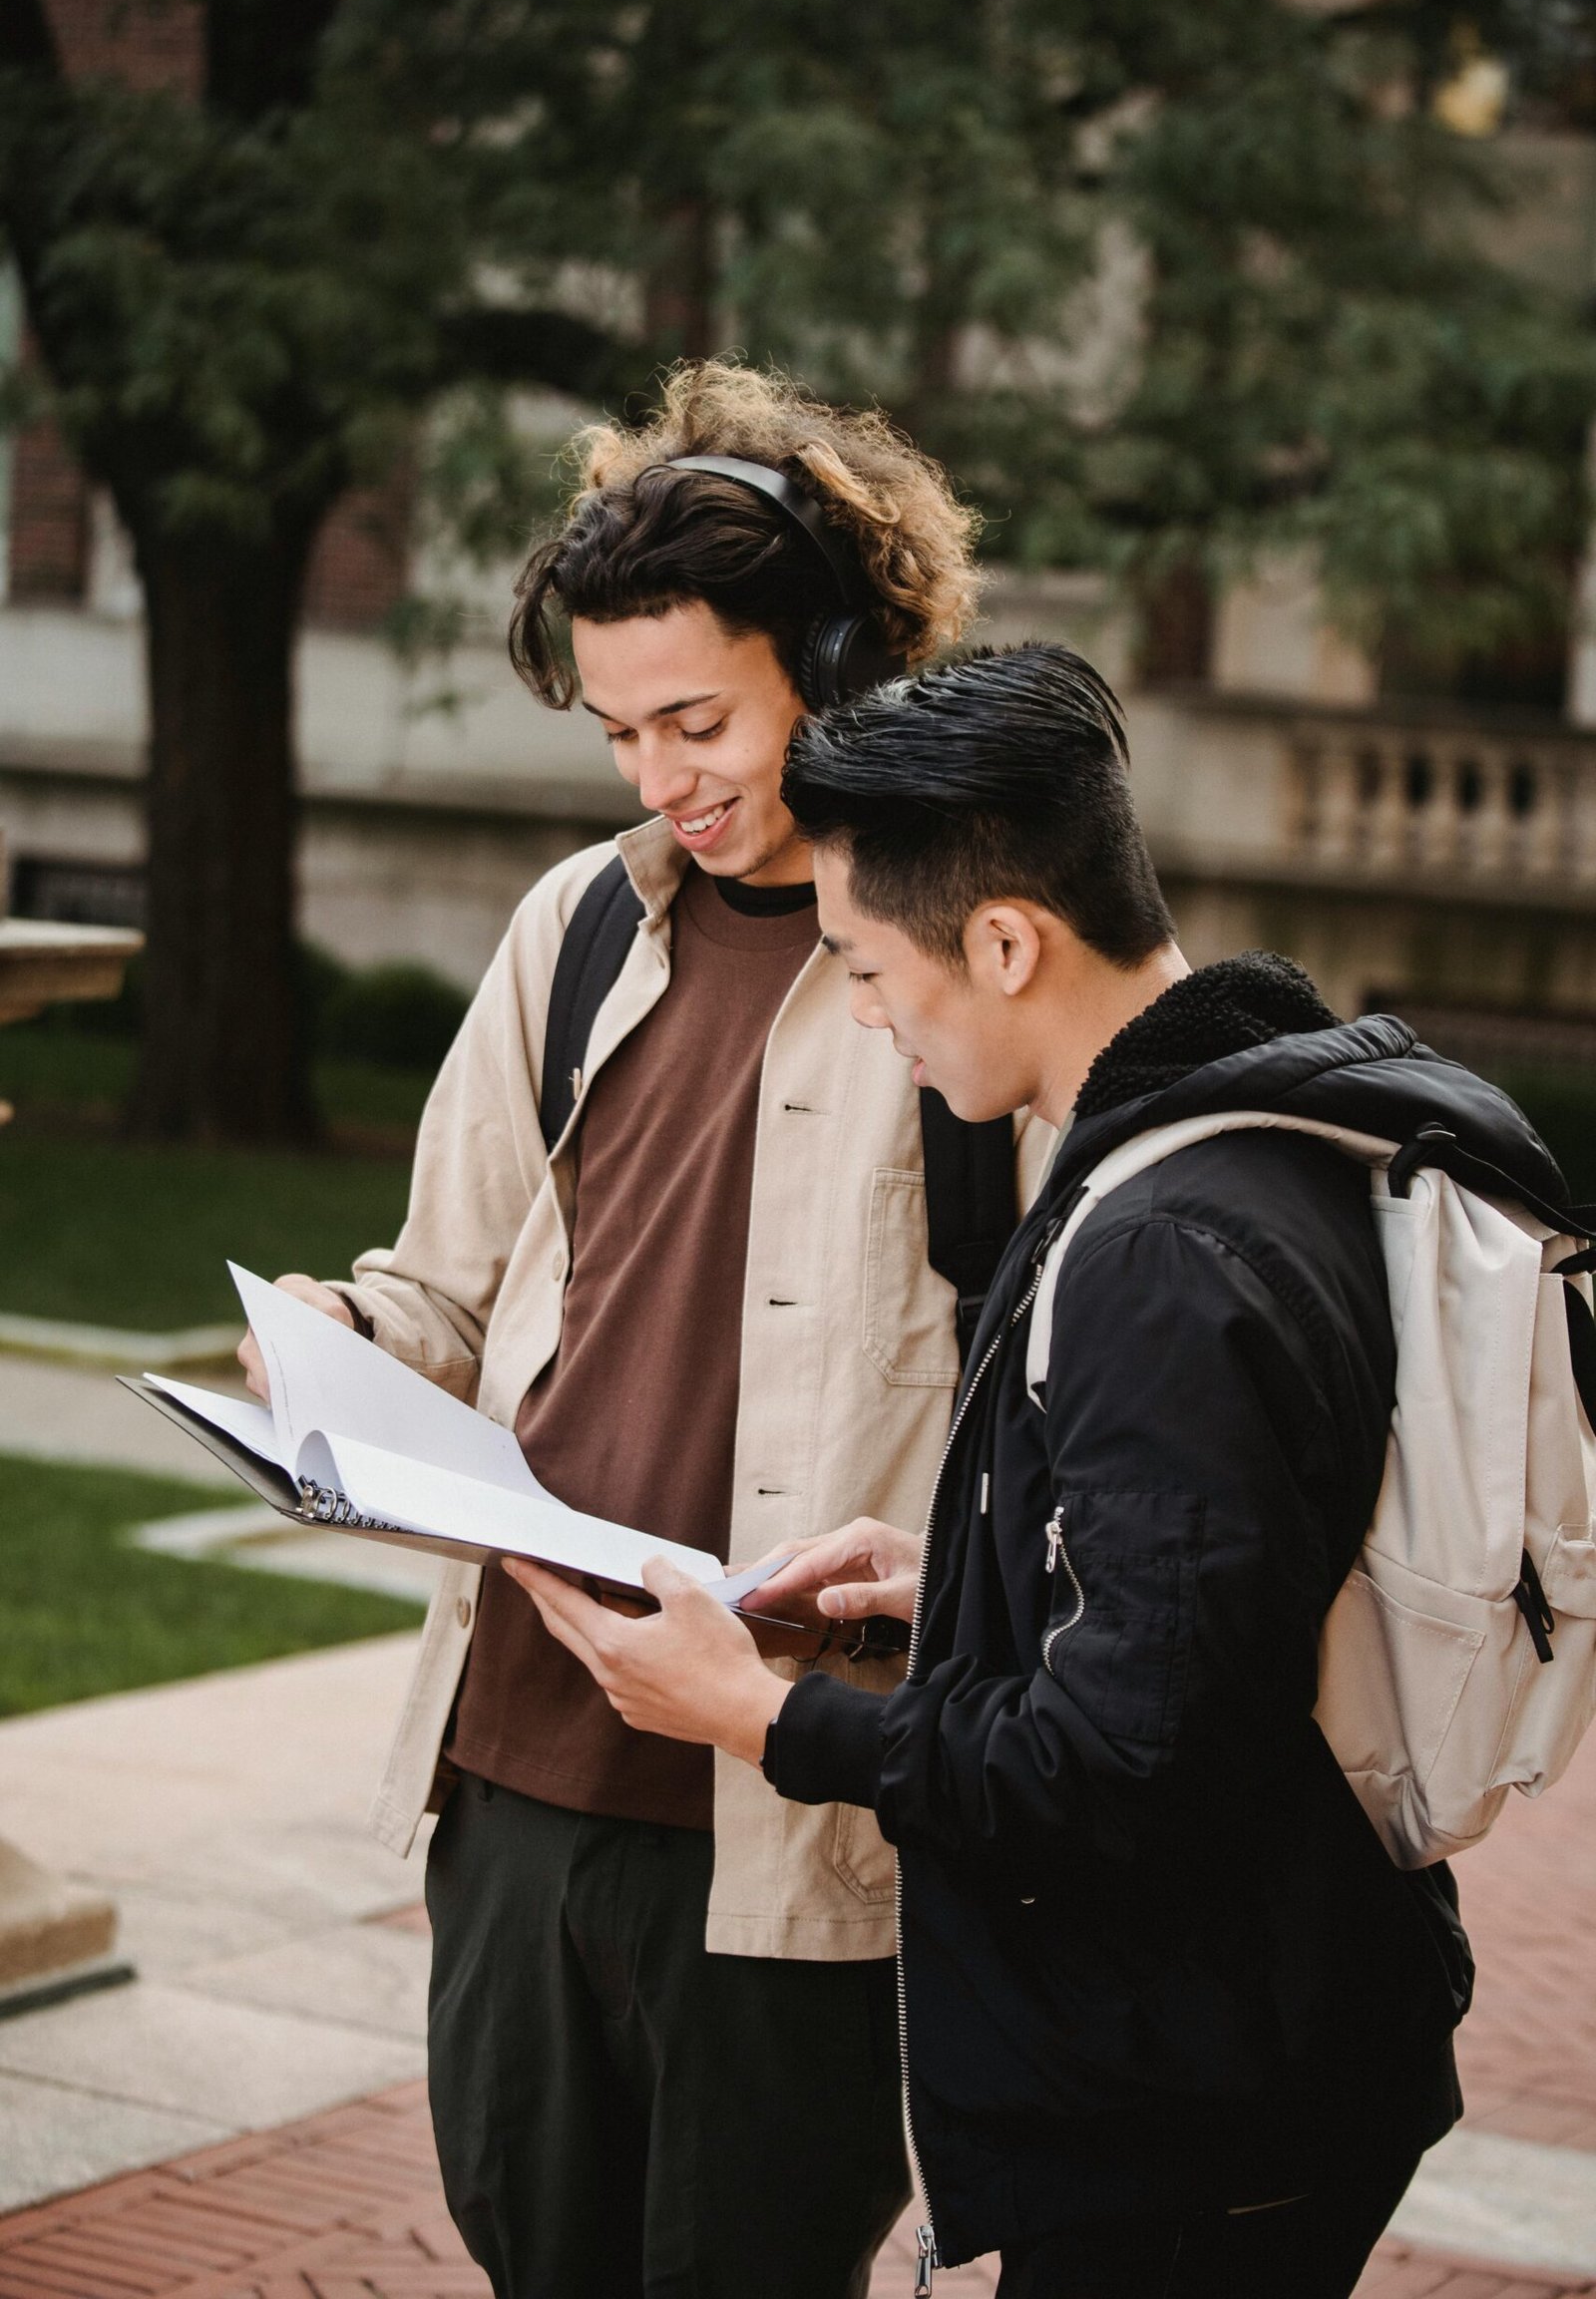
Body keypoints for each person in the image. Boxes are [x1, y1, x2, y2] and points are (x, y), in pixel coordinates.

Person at [505, 640, 1576, 2296]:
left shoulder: (1168, 1239)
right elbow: (1228, 1587)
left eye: (866, 970)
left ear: (1005, 939)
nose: (867, 1023)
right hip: (1253, 2048)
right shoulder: (1253, 1134)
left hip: (1202, 2109)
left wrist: (765, 1721)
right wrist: (963, 1580)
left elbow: (1127, 1768)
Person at [239, 366, 1051, 2299]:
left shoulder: (973, 972)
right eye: (620, 733)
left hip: (790, 1806)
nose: (659, 776)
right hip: (514, 1777)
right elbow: (438, 1286)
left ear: (838, 664)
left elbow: (1067, 1412)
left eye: (697, 719)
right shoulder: (574, 929)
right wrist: (326, 1344)